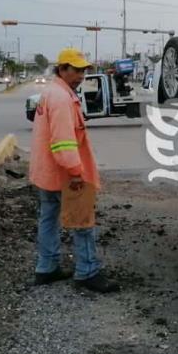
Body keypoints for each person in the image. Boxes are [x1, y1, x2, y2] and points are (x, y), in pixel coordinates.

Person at [29, 47, 119, 293]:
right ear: (63, 69)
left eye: (83, 70)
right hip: (65, 174)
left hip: (47, 173)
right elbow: (63, 141)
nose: (81, 75)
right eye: (76, 70)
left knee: (48, 219)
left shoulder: (53, 92)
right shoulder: (60, 98)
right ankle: (87, 272)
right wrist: (76, 171)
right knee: (82, 223)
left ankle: (46, 268)